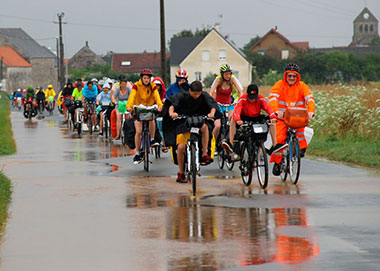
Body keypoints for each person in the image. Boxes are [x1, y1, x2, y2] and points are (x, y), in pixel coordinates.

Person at [269, 63, 315, 176]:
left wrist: (310, 111)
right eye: (289, 76)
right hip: (282, 118)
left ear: (297, 77)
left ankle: (300, 150)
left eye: (294, 76)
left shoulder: (302, 86)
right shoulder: (279, 85)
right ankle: (277, 163)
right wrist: (276, 111)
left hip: (297, 117)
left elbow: (309, 98)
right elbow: (273, 97)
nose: (292, 78)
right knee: (279, 138)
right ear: (285, 76)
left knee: (300, 133)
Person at [168, 81, 217, 183]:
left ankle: (204, 153)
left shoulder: (204, 96)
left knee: (205, 128)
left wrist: (212, 113)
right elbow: (172, 104)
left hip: (199, 121)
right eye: (194, 94)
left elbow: (212, 105)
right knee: (181, 147)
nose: (196, 96)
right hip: (183, 123)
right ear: (190, 90)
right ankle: (181, 173)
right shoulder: (182, 96)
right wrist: (172, 113)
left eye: (198, 94)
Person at [222, 84, 278, 160]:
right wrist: (238, 119)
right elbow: (237, 110)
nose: (252, 100)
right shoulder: (243, 99)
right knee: (232, 120)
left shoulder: (260, 98)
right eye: (251, 98)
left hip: (255, 117)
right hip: (244, 118)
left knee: (271, 122)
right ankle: (231, 143)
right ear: (247, 94)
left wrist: (273, 117)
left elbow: (268, 108)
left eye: (254, 98)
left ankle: (275, 145)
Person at [126, 69, 163, 164]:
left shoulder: (153, 86)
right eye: (145, 78)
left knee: (152, 120)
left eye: (148, 78)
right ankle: (138, 153)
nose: (146, 80)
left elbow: (157, 96)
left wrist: (160, 105)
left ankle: (152, 139)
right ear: (141, 78)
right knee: (138, 131)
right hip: (138, 109)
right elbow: (132, 96)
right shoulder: (136, 86)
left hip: (149, 108)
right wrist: (129, 106)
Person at [210, 64, 243, 140]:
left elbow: (240, 91)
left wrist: (239, 101)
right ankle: (212, 143)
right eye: (226, 74)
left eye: (229, 74)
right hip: (219, 105)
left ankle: (231, 141)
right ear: (222, 74)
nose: (228, 76)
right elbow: (211, 92)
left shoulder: (232, 80)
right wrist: (212, 103)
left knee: (232, 121)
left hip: (229, 105)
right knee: (218, 125)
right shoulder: (218, 80)